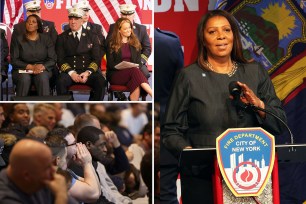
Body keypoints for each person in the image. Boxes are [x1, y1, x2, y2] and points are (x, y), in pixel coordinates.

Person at [161, 10, 287, 203]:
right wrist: (192, 154)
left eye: (226, 30)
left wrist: (259, 105)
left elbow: (279, 124)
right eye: (212, 32)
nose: (221, 36)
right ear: (203, 39)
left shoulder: (255, 72)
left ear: (234, 35)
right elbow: (170, 131)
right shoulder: (189, 77)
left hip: (252, 177)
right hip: (205, 178)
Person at [154, 28, 184, 204]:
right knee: (167, 191)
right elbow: (180, 87)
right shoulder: (170, 41)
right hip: (168, 123)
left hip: (161, 125)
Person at [0, 139, 76, 204]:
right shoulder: (5, 198)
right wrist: (61, 195)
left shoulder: (41, 178)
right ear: (27, 176)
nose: (53, 170)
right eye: (47, 168)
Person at [56, 7, 106, 101]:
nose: (73, 22)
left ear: (82, 20)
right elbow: (60, 59)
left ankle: (94, 107)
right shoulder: (62, 37)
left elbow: (96, 58)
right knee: (60, 82)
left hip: (87, 71)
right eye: (71, 19)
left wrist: (87, 72)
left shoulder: (92, 36)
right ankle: (69, 105)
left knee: (100, 81)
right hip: (70, 72)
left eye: (76, 19)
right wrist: (72, 73)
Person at [106, 18, 152, 101]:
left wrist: (136, 65)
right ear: (119, 30)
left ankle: (134, 102)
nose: (128, 30)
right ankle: (152, 93)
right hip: (116, 74)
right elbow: (110, 64)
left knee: (135, 81)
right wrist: (123, 66)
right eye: (125, 28)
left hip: (132, 73)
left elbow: (138, 61)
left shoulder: (135, 42)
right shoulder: (111, 43)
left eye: (129, 27)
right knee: (134, 71)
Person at [10, 14, 56, 96]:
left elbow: (52, 59)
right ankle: (20, 105)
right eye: (28, 22)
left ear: (38, 26)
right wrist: (31, 67)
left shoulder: (46, 39)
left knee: (42, 77)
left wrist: (42, 67)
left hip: (42, 69)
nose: (30, 23)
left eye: (33, 22)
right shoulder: (18, 40)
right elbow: (14, 60)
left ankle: (44, 106)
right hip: (22, 69)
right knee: (24, 78)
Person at [107, 3, 151, 79]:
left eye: (129, 14)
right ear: (121, 15)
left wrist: (140, 61)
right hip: (119, 62)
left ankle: (143, 91)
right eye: (124, 14)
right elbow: (108, 45)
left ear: (134, 15)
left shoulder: (142, 29)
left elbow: (147, 49)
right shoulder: (113, 27)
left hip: (137, 62)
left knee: (145, 74)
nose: (127, 17)